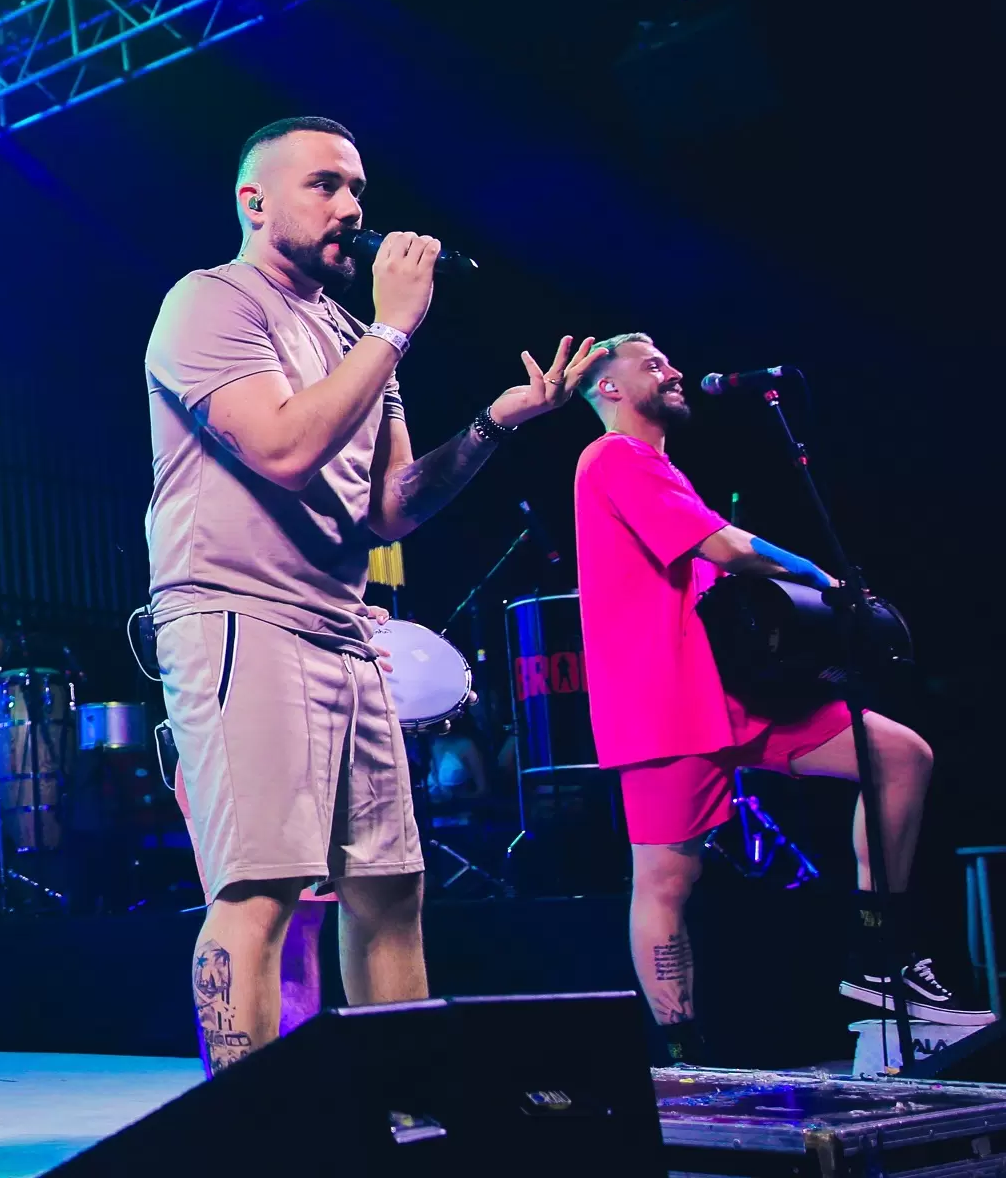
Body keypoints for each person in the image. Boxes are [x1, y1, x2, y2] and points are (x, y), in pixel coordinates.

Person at [144, 115, 600, 1070]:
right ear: (254, 201)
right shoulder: (209, 302)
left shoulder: (355, 338)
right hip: (237, 616)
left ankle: (404, 1107)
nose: (352, 207)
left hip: (343, 629)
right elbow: (280, 448)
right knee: (260, 888)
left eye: (357, 187)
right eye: (324, 185)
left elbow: (388, 508)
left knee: (390, 889)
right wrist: (394, 329)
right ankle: (251, 1123)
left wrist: (493, 424)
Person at [571, 334, 993, 1060]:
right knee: (666, 879)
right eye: (651, 365)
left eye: (667, 361)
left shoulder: (658, 465)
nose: (673, 371)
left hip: (734, 691)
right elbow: (728, 548)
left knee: (898, 757)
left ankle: (880, 960)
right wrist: (825, 580)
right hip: (662, 704)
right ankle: (686, 1058)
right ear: (608, 388)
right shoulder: (614, 457)